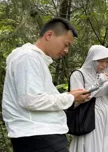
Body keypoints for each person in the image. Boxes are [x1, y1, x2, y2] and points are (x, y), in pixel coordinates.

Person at [2, 17, 90, 152]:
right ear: (49, 35)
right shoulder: (28, 57)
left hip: (40, 136)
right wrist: (70, 98)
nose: (66, 51)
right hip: (38, 137)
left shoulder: (34, 59)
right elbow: (31, 99)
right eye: (66, 44)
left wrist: (69, 95)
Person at [69, 45, 108, 152]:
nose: (104, 65)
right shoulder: (78, 75)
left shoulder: (104, 75)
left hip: (106, 117)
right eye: (101, 61)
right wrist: (98, 83)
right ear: (92, 60)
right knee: (91, 146)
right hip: (89, 118)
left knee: (107, 146)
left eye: (106, 62)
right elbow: (79, 99)